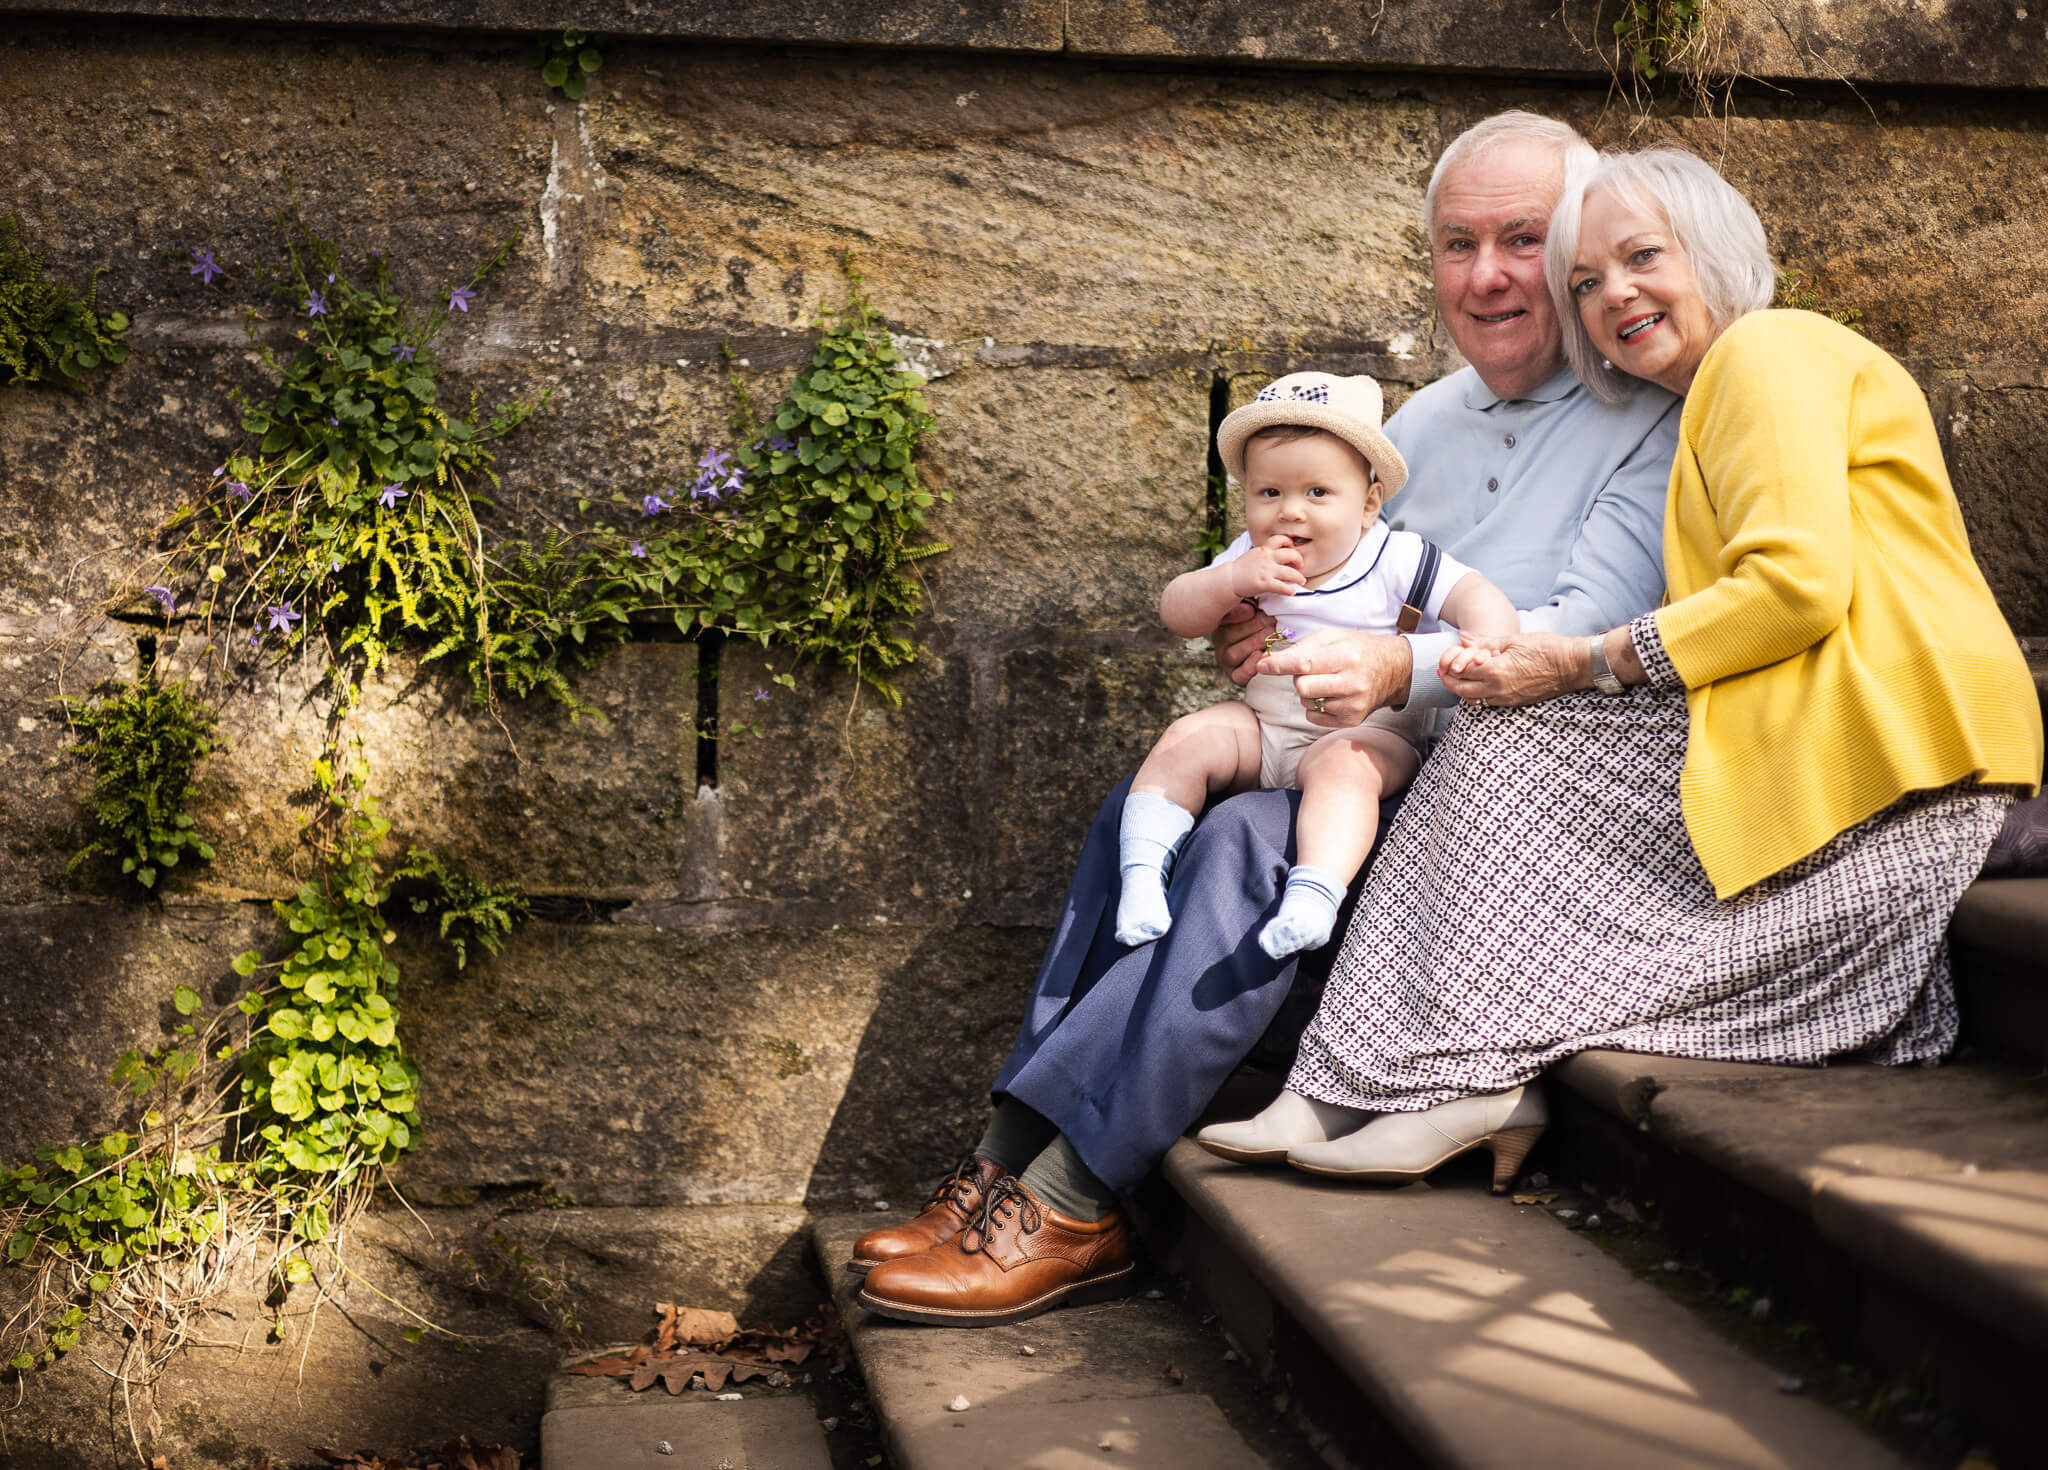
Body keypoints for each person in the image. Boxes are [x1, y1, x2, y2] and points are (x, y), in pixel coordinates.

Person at [849, 111, 1684, 1329]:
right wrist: (1257, 617)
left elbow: (1574, 635)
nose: (1488, 276)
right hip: (1361, 778)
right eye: (1458, 245)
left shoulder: (1649, 420)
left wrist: (1392, 661)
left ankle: (1074, 1203)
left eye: (1523, 240)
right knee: (1160, 801)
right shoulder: (1414, 428)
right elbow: (1317, 559)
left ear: (1575, 251)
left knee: (1250, 839)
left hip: (1511, 832)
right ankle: (998, 1170)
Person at [1200, 147, 2043, 1188]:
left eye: (1641, 258)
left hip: (1904, 752)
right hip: (1815, 727)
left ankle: (1443, 1081)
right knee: (1501, 734)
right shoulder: (1707, 396)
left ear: (1716, 253)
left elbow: (1793, 590)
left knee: (1517, 730)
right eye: (1586, 285)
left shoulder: (1767, 350)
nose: (1613, 297)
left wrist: (1582, 661)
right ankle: (1350, 1085)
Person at [1116, 371, 1517, 963]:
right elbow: (1177, 610)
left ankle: (1313, 896)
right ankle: (1143, 875)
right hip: (1265, 732)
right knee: (1188, 738)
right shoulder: (1248, 559)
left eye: (1318, 494)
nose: (1290, 513)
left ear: (1369, 503)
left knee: (1345, 774)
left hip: (1365, 734)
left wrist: (1489, 637)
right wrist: (1229, 580)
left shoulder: (1394, 557)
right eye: (1269, 493)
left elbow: (1472, 593)